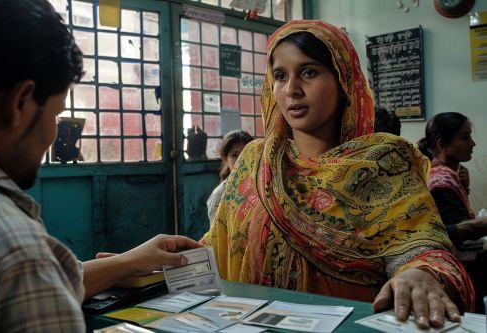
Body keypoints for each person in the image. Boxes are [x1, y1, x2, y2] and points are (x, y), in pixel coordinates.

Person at [202, 20, 474, 329]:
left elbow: (420, 246)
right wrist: (154, 261)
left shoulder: (382, 162)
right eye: (280, 76)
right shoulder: (255, 160)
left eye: (309, 72)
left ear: (343, 81)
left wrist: (420, 273)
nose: (292, 89)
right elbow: (218, 243)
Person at [0, 1, 201, 331]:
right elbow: (35, 273)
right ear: (20, 103)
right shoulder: (18, 255)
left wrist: (129, 261)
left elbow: (56, 276)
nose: (52, 135)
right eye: (56, 114)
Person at [418, 111, 487, 312]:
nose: (472, 143)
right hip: (452, 273)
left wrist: (465, 188)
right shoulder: (441, 183)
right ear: (442, 145)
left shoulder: (445, 174)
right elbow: (454, 235)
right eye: (464, 138)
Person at [207, 130, 253, 224]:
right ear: (225, 159)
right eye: (234, 155)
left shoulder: (262, 186)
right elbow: (218, 236)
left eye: (246, 153)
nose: (241, 159)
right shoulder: (219, 196)